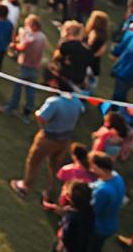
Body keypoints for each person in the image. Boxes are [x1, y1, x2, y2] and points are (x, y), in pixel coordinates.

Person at [10, 70, 85, 200]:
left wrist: (38, 115)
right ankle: (51, 193)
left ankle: (25, 186)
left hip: (49, 138)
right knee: (55, 167)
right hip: (65, 140)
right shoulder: (77, 102)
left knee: (34, 161)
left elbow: (42, 118)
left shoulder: (54, 102)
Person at [86, 152, 125, 252]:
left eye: (93, 167)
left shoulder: (102, 191)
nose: (91, 170)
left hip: (98, 227)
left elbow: (93, 211)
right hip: (111, 224)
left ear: (101, 168)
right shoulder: (116, 176)